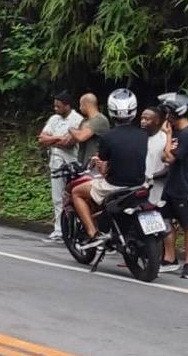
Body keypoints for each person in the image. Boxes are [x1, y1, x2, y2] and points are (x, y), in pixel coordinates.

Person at [71, 89, 148, 249]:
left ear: (112, 111)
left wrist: (98, 163)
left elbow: (104, 168)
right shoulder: (143, 135)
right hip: (139, 184)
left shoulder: (108, 137)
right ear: (134, 111)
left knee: (76, 192)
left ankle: (92, 233)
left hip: (115, 186)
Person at [159, 93, 188, 279]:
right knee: (165, 220)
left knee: (187, 226)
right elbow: (164, 157)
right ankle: (169, 257)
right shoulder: (176, 133)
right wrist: (169, 137)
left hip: (186, 186)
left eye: (169, 113)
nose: (167, 117)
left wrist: (167, 136)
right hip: (171, 184)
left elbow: (169, 157)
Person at [38, 91, 83, 241]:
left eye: (58, 106)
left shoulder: (77, 119)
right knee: (57, 197)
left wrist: (52, 139)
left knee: (71, 197)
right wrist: (58, 138)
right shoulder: (54, 119)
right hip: (56, 163)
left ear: (67, 105)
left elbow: (69, 143)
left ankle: (74, 229)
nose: (55, 109)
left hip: (71, 163)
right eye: (55, 106)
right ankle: (59, 229)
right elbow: (42, 139)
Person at [63, 92, 110, 166]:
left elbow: (81, 137)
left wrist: (70, 129)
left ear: (86, 105)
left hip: (96, 165)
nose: (80, 108)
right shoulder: (84, 121)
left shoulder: (100, 120)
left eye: (81, 105)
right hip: (83, 163)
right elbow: (70, 140)